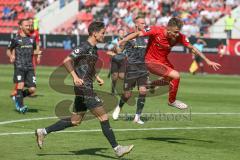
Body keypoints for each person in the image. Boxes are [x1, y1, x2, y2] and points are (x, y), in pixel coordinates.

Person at [35, 22, 134, 158]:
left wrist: (97, 77)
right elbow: (66, 60)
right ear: (95, 33)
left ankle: (43, 131)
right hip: (84, 87)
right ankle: (117, 148)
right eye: (103, 33)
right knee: (103, 116)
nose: (104, 35)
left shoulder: (93, 49)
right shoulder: (84, 46)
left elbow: (88, 66)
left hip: (86, 86)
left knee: (76, 120)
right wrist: (75, 77)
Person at [119, 17, 221, 109]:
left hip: (163, 62)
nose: (177, 34)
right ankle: (172, 101)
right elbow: (137, 34)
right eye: (175, 32)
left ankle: (148, 84)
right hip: (150, 61)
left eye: (178, 32)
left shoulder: (180, 37)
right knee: (176, 75)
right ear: (168, 28)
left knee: (170, 81)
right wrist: (123, 40)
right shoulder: (156, 30)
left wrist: (208, 61)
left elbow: (193, 48)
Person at [112, 16, 149, 124]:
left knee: (143, 91)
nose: (144, 25)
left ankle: (137, 117)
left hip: (143, 68)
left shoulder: (147, 38)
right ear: (136, 24)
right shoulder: (129, 37)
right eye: (142, 23)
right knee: (127, 94)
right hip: (132, 68)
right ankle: (119, 107)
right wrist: (118, 47)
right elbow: (118, 50)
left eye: (145, 23)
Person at [6, 19, 37, 113]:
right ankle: (20, 106)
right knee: (20, 85)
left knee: (32, 90)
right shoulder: (15, 39)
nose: (29, 27)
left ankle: (17, 97)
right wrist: (11, 56)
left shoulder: (32, 39)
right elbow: (8, 50)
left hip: (30, 67)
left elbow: (34, 51)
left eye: (29, 26)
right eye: (26, 25)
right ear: (21, 26)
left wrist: (38, 53)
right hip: (19, 66)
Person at [107, 29, 126, 95]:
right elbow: (108, 51)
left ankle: (124, 89)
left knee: (122, 76)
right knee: (115, 76)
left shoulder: (126, 41)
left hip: (123, 60)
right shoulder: (114, 42)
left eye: (122, 33)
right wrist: (114, 54)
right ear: (118, 34)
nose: (121, 34)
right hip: (115, 61)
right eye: (120, 33)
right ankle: (113, 90)